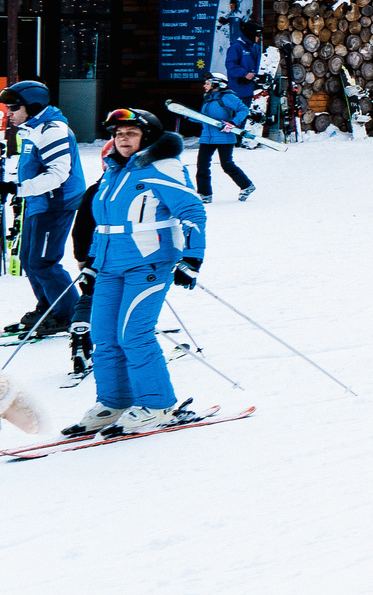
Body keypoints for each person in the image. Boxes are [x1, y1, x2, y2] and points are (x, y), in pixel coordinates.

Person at [58, 108, 207, 439]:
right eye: (118, 134)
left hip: (149, 264)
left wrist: (192, 257)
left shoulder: (162, 167)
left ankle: (158, 404)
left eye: (131, 133)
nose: (122, 139)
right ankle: (114, 401)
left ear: (148, 136)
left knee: (134, 335)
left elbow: (192, 210)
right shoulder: (114, 172)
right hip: (111, 266)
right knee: (104, 337)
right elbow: (105, 225)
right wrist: (93, 263)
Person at [3, 81, 88, 343]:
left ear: (34, 106)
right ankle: (49, 306)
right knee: (30, 259)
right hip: (38, 202)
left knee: (44, 261)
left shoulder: (53, 130)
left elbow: (58, 174)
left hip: (56, 203)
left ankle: (68, 314)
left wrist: (17, 188)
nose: (9, 112)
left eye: (14, 107)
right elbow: (33, 167)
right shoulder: (32, 128)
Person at [193, 73, 257, 202]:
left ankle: (246, 186)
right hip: (207, 137)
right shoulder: (208, 98)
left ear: (217, 84)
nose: (204, 85)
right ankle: (205, 194)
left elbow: (243, 109)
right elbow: (204, 118)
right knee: (202, 166)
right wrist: (188, 116)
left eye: (207, 83)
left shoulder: (227, 97)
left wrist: (233, 123)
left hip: (224, 136)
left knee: (227, 165)